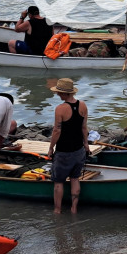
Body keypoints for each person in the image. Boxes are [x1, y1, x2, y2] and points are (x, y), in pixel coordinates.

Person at [46, 78, 89, 214]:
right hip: (79, 150)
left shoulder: (60, 109)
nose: (58, 95)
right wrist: (86, 144)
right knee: (75, 178)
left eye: (59, 93)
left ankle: (57, 210)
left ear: (65, 94)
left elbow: (57, 130)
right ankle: (73, 208)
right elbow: (84, 128)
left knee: (58, 182)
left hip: (64, 151)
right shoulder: (83, 105)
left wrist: (50, 147)